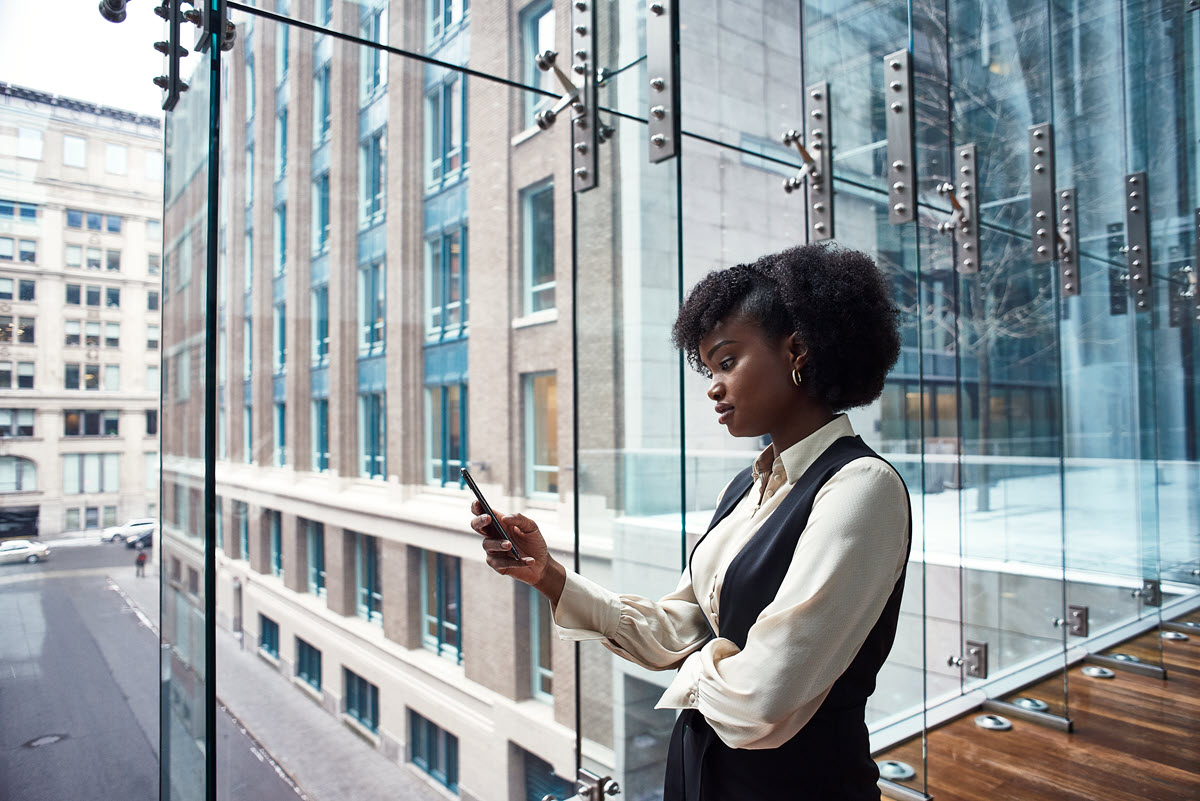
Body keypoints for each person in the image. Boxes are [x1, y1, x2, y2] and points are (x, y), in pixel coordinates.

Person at [470, 243, 910, 800]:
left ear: (797, 350)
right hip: (701, 779)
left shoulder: (860, 488)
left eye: (727, 361)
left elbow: (764, 697)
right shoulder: (748, 488)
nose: (713, 385)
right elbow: (675, 630)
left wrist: (695, 661)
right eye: (708, 368)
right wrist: (548, 575)